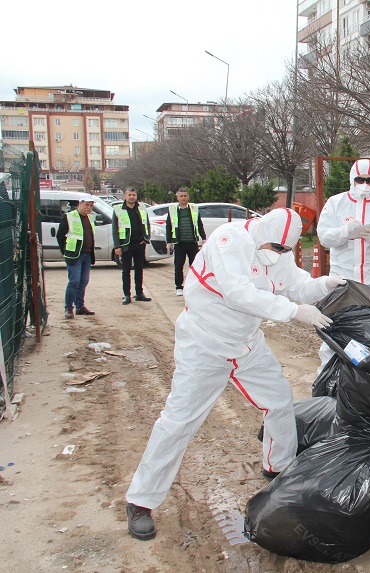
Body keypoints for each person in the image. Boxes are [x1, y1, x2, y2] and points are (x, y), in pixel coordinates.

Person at [125, 207, 345, 541]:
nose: (280, 255)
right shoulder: (229, 240)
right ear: (261, 232)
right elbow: (238, 293)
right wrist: (293, 312)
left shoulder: (279, 251)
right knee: (179, 421)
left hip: (247, 344)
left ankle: (277, 466)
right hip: (206, 343)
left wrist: (323, 285)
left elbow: (296, 285)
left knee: (279, 400)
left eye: (286, 250)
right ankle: (140, 501)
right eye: (277, 247)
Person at [316, 158, 370, 371]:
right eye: (359, 179)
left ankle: (366, 377)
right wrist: (345, 231)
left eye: (368, 179)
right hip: (343, 282)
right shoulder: (336, 203)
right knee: (335, 329)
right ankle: (328, 377)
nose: (364, 184)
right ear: (351, 179)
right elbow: (324, 237)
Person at [56, 194, 97, 319]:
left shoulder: (90, 218)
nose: (89, 208)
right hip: (74, 255)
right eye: (86, 205)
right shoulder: (69, 217)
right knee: (74, 281)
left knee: (83, 281)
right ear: (80, 204)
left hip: (87, 254)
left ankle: (80, 306)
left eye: (91, 206)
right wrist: (66, 251)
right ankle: (69, 307)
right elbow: (60, 236)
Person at [112, 187, 151, 304]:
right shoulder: (118, 209)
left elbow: (147, 224)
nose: (131, 197)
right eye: (129, 195)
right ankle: (127, 295)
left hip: (139, 243)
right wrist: (117, 246)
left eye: (133, 195)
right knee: (126, 271)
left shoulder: (142, 208)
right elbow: (115, 229)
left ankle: (139, 293)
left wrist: (146, 238)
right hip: (126, 245)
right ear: (125, 196)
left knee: (139, 269)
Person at [165, 188, 206, 296]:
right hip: (179, 243)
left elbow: (199, 224)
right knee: (178, 266)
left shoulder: (194, 209)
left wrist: (204, 238)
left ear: (188, 197)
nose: (183, 198)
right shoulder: (172, 210)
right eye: (181, 196)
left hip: (192, 242)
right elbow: (168, 226)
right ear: (177, 197)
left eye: (185, 196)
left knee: (194, 265)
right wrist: (169, 241)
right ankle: (179, 287)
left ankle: (194, 285)